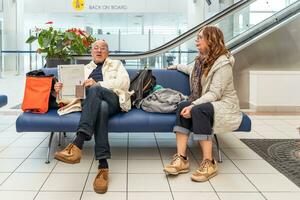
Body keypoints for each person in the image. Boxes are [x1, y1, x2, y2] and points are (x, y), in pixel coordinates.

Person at [164, 25, 242, 182]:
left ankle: (209, 162)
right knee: (182, 105)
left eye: (200, 37)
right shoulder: (201, 60)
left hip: (224, 104)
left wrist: (193, 106)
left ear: (211, 40)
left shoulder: (223, 63)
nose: (196, 41)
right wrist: (175, 67)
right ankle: (181, 158)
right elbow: (189, 69)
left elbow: (215, 93)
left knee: (197, 109)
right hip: (208, 102)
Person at [53, 40, 131, 193]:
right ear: (91, 52)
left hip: (114, 100)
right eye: (96, 48)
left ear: (107, 52)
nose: (99, 50)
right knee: (100, 107)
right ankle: (103, 167)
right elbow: (76, 95)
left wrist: (98, 83)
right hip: (95, 105)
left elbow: (124, 83)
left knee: (95, 90)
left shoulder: (116, 64)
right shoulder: (84, 69)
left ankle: (78, 143)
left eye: (103, 48)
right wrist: (60, 91)